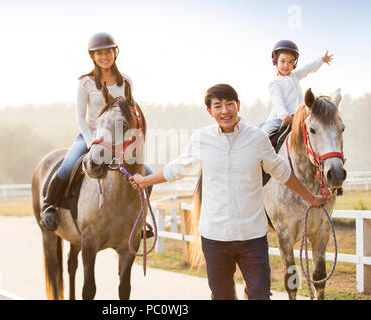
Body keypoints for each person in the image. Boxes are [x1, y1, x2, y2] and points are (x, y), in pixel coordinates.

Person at [129, 84, 327, 300]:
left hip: (252, 237)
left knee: (260, 296)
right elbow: (177, 169)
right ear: (210, 111)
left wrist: (310, 198)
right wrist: (145, 180)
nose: (225, 110)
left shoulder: (257, 138)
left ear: (238, 105)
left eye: (229, 104)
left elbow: (282, 171)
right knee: (223, 296)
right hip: (215, 237)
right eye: (218, 106)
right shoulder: (202, 138)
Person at [40, 32, 153, 231]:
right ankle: (49, 206)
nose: (104, 57)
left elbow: (131, 113)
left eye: (108, 52)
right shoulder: (85, 82)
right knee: (67, 167)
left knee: (147, 175)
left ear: (114, 53)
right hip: (91, 135)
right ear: (92, 56)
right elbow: (80, 119)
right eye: (99, 53)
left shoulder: (125, 82)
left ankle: (139, 220)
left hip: (118, 138)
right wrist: (93, 141)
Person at [260, 39, 333, 135]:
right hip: (279, 119)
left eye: (290, 62)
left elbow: (307, 68)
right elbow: (278, 101)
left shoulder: (294, 76)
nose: (286, 65)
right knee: (263, 135)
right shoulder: (275, 83)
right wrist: (284, 115)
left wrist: (321, 60)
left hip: (298, 118)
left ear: (295, 63)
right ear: (275, 61)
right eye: (282, 61)